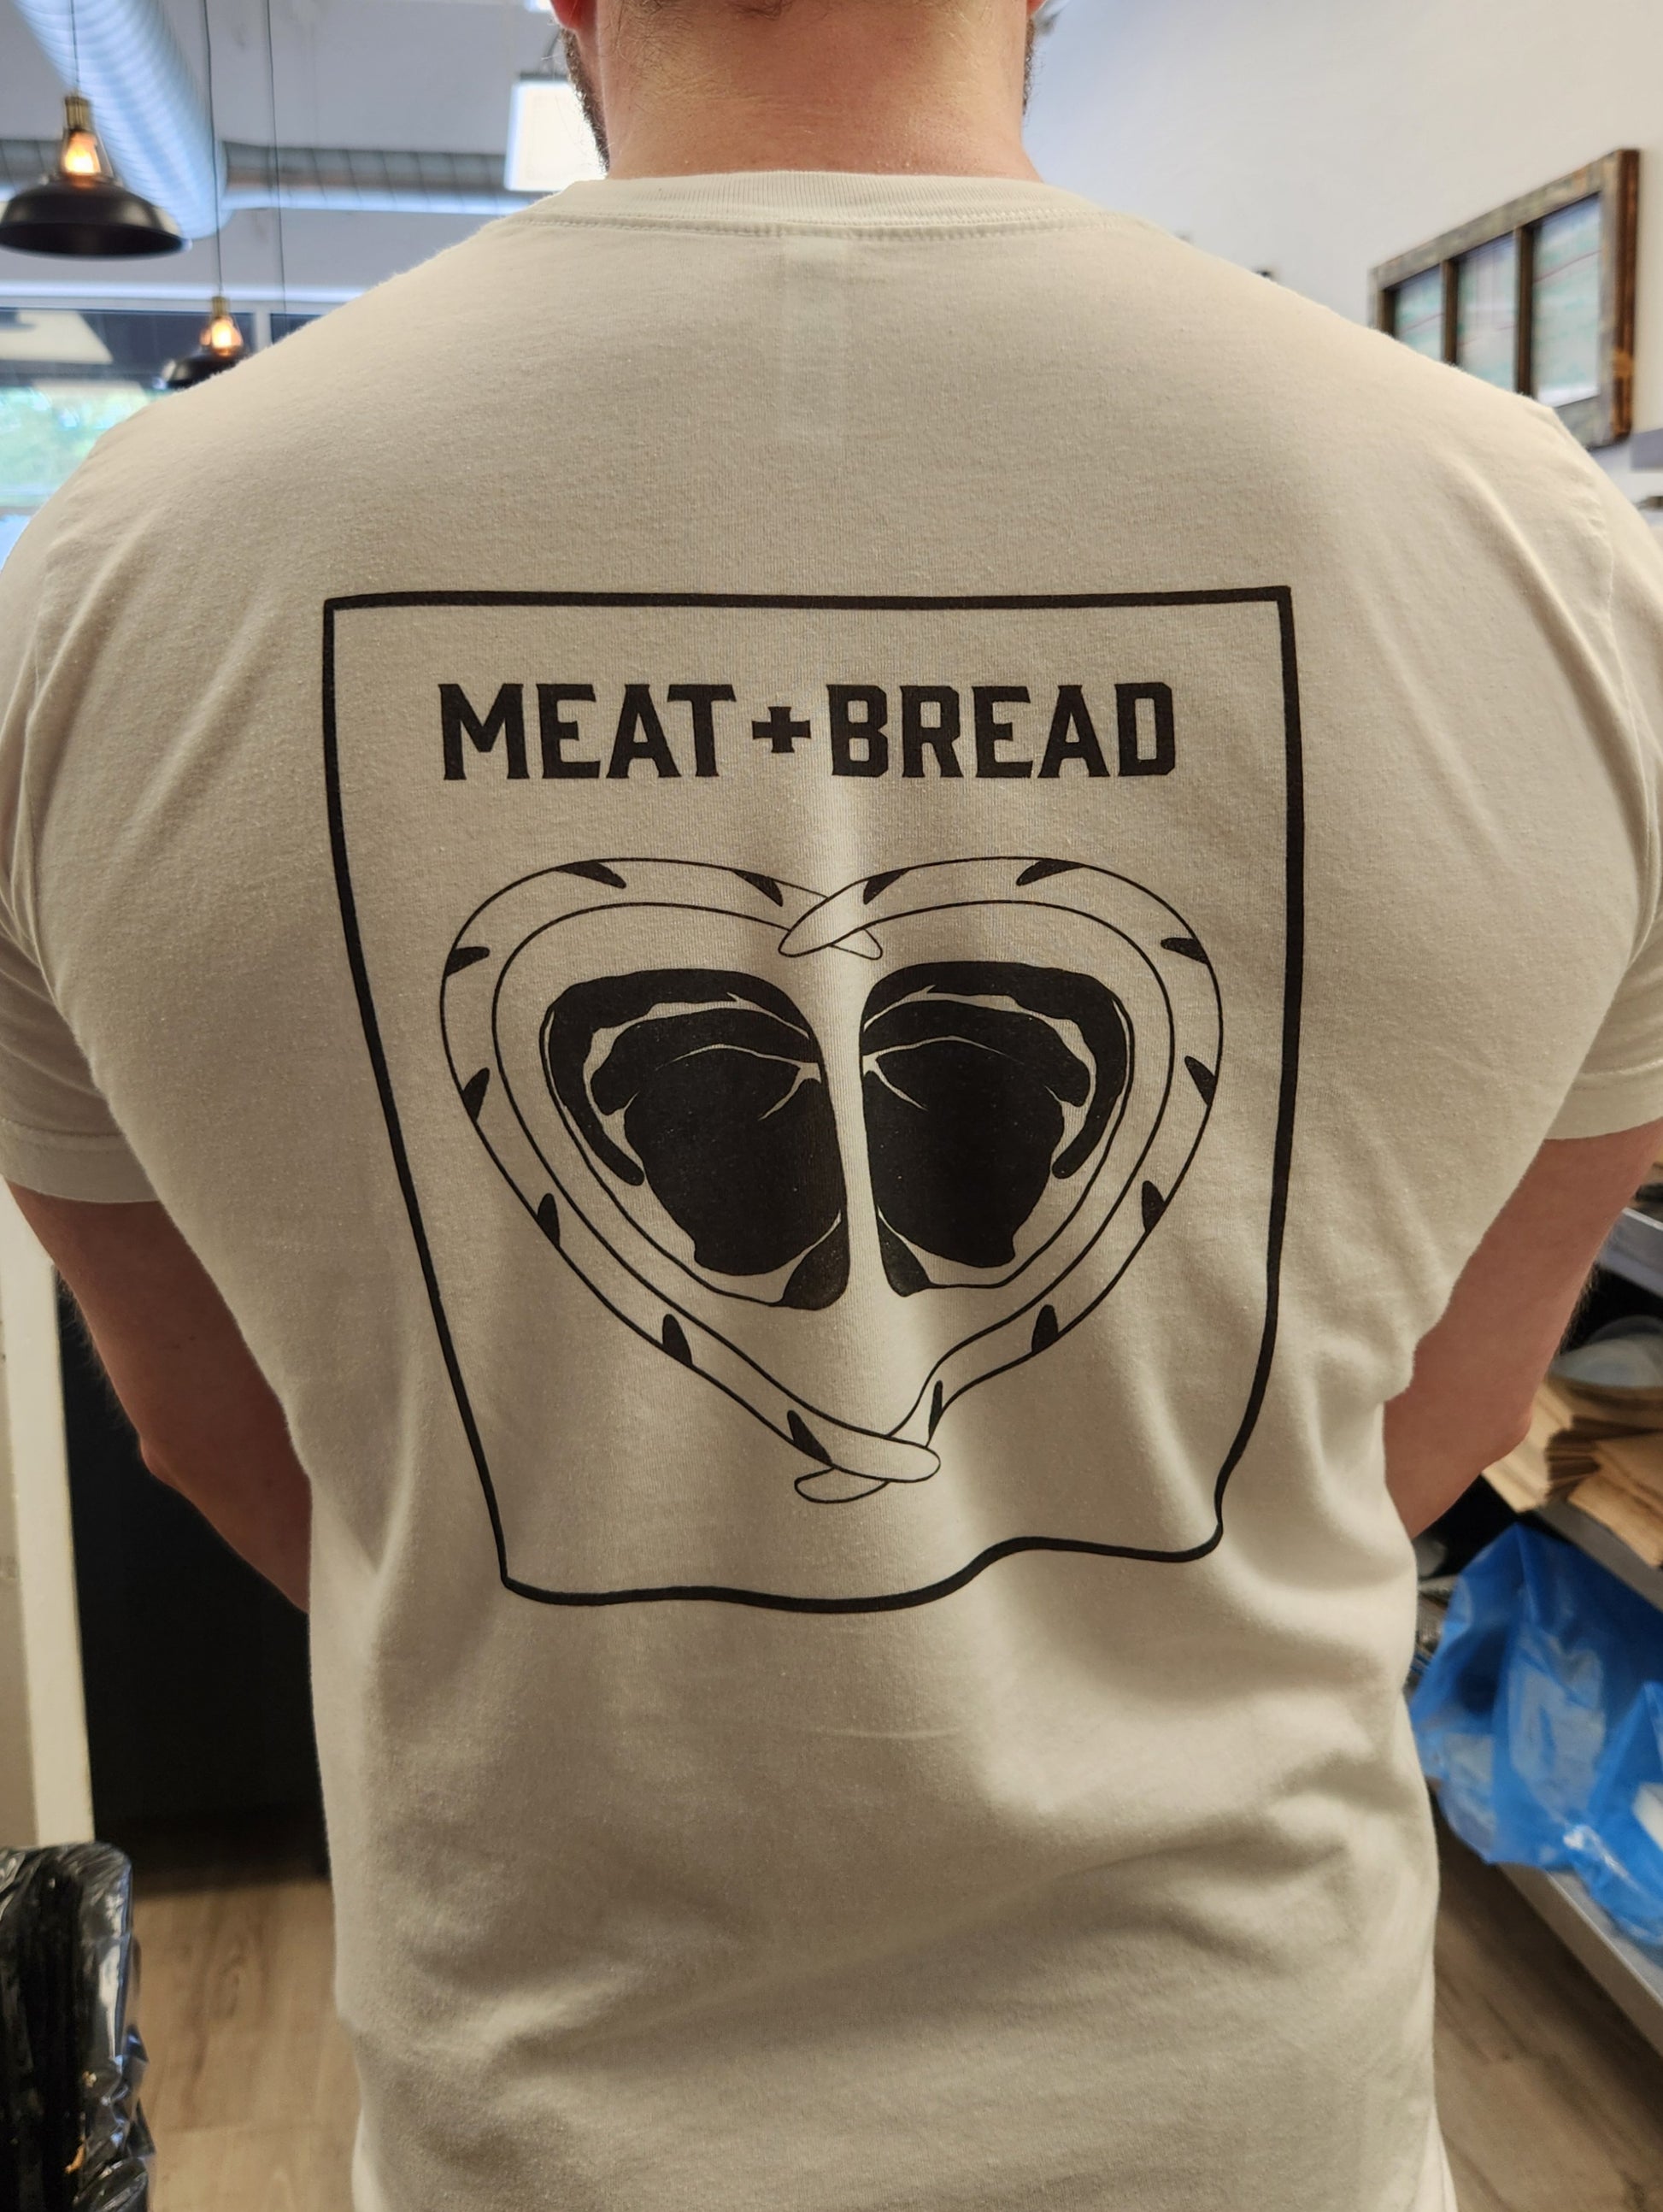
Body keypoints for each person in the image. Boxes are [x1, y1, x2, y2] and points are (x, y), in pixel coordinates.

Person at [0, 0, 1660, 2204]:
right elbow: (1424, 1424)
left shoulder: (109, 582)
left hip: (542, 2120)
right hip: (1254, 2105)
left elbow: (222, 1439)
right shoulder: (1546, 560)